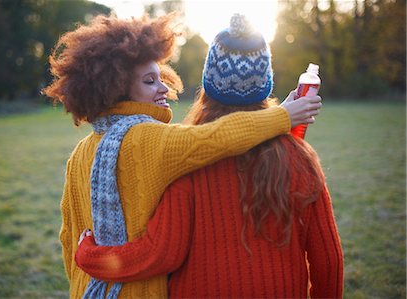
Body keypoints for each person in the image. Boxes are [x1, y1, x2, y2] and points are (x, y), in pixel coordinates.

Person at [43, 12, 322, 298]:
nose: (164, 87)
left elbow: (68, 238)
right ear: (118, 90)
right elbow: (217, 137)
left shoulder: (79, 155)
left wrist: (85, 264)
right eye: (150, 81)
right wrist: (283, 116)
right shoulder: (151, 140)